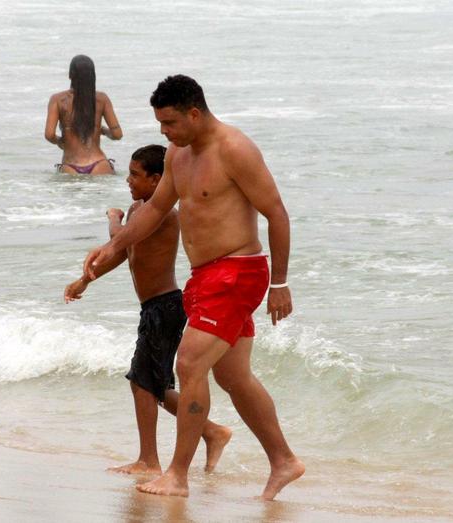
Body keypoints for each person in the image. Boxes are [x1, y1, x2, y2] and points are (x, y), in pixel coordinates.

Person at [82, 75, 304, 499]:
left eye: (169, 123)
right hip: (204, 277)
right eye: (161, 123)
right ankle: (284, 461)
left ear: (195, 113)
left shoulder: (234, 149)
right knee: (234, 376)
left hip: (238, 272)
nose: (164, 132)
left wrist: (281, 282)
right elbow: (154, 211)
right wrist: (113, 244)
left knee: (188, 366)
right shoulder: (177, 155)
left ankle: (177, 475)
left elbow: (277, 213)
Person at [64, 144, 231, 475]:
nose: (128, 180)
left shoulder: (163, 214)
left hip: (165, 306)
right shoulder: (138, 209)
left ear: (158, 180)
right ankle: (211, 432)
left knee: (143, 381)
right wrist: (86, 280)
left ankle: (149, 460)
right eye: (128, 173)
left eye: (135, 175)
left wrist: (113, 219)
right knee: (151, 382)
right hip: (153, 308)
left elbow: (122, 237)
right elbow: (124, 253)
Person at [45, 55, 123, 175]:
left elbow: (49, 135)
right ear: (93, 76)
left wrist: (60, 142)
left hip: (71, 166)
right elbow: (117, 134)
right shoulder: (102, 99)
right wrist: (102, 130)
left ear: (70, 75)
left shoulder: (57, 100)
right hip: (100, 164)